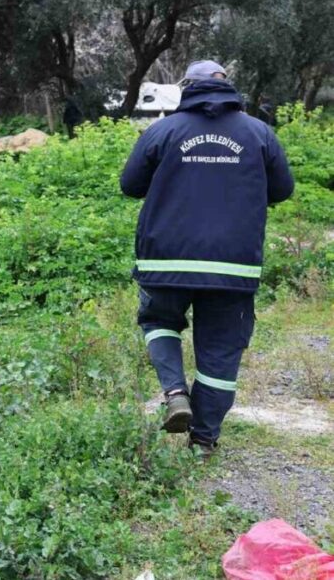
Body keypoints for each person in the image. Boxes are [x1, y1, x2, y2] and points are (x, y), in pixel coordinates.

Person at [120, 60, 295, 459]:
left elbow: (130, 185)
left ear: (188, 87)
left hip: (166, 261)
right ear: (227, 87)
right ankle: (203, 441)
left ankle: (176, 393)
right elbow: (283, 190)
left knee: (158, 320)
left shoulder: (162, 130)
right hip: (233, 266)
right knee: (220, 353)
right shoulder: (259, 133)